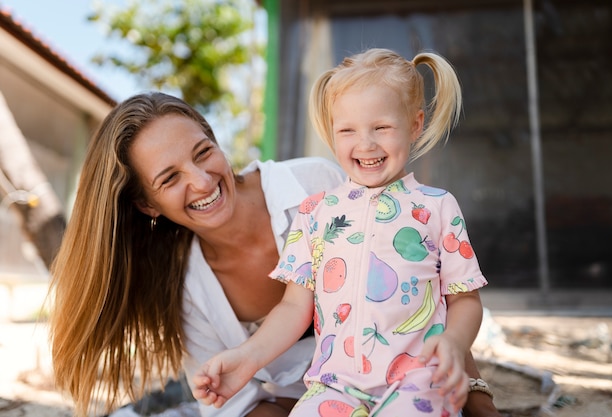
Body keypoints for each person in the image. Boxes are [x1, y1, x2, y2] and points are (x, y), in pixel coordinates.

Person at [48, 91, 501, 417]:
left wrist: (478, 399)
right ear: (148, 205)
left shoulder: (318, 187)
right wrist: (249, 367)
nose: (202, 181)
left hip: (414, 380)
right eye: (170, 179)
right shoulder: (185, 290)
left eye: (203, 153)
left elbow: (425, 293)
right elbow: (242, 406)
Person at [192, 48, 488, 417]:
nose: (365, 144)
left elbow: (465, 299)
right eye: (347, 130)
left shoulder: (437, 207)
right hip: (334, 384)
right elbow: (293, 306)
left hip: (421, 379)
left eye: (381, 127)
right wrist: (246, 358)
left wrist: (455, 344)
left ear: (414, 125)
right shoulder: (315, 214)